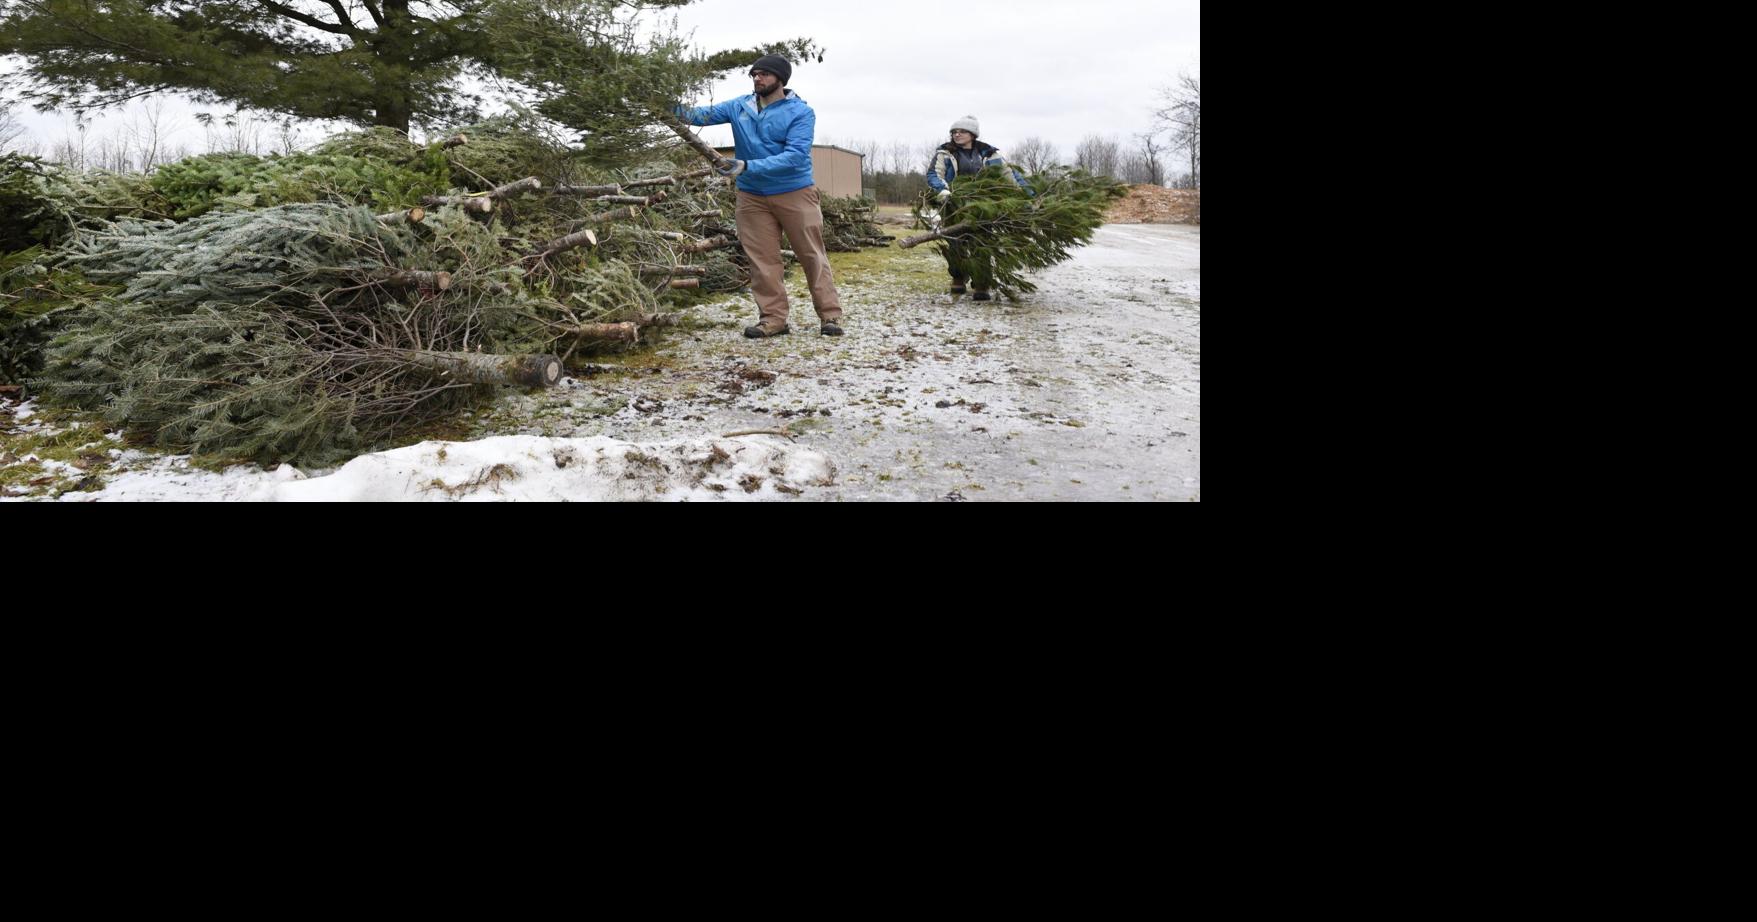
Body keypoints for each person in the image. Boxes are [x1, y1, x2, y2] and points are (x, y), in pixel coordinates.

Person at [674, 55, 845, 337]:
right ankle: (773, 320)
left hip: (795, 192)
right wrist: (658, 100)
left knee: (811, 255)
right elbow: (697, 116)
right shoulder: (738, 106)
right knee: (763, 260)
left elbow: (794, 156)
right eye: (754, 74)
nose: (757, 78)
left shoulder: (800, 112)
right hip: (752, 196)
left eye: (764, 74)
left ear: (780, 79)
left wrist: (747, 165)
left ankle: (830, 316)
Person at [924, 116, 1031, 301]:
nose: (957, 134)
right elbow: (934, 173)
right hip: (954, 204)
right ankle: (958, 277)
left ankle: (981, 282)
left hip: (984, 205)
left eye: (961, 131)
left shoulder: (989, 154)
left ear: (972, 134)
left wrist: (1028, 196)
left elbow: (1010, 176)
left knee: (981, 241)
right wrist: (942, 190)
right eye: (954, 132)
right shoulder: (945, 154)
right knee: (955, 241)